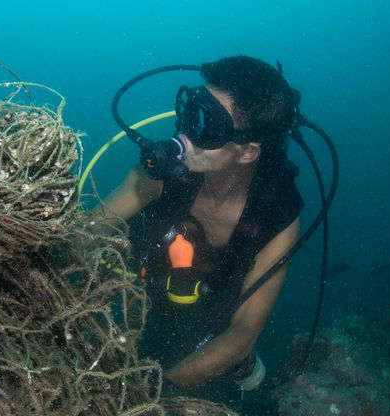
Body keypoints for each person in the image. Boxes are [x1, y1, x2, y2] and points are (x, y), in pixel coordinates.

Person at [97, 56, 303, 391]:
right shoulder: (161, 176)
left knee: (228, 355)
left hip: (205, 316)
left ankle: (237, 370)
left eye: (207, 123)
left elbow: (243, 332)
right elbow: (89, 230)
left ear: (248, 151)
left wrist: (155, 393)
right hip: (142, 289)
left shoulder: (278, 219)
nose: (183, 132)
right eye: (191, 111)